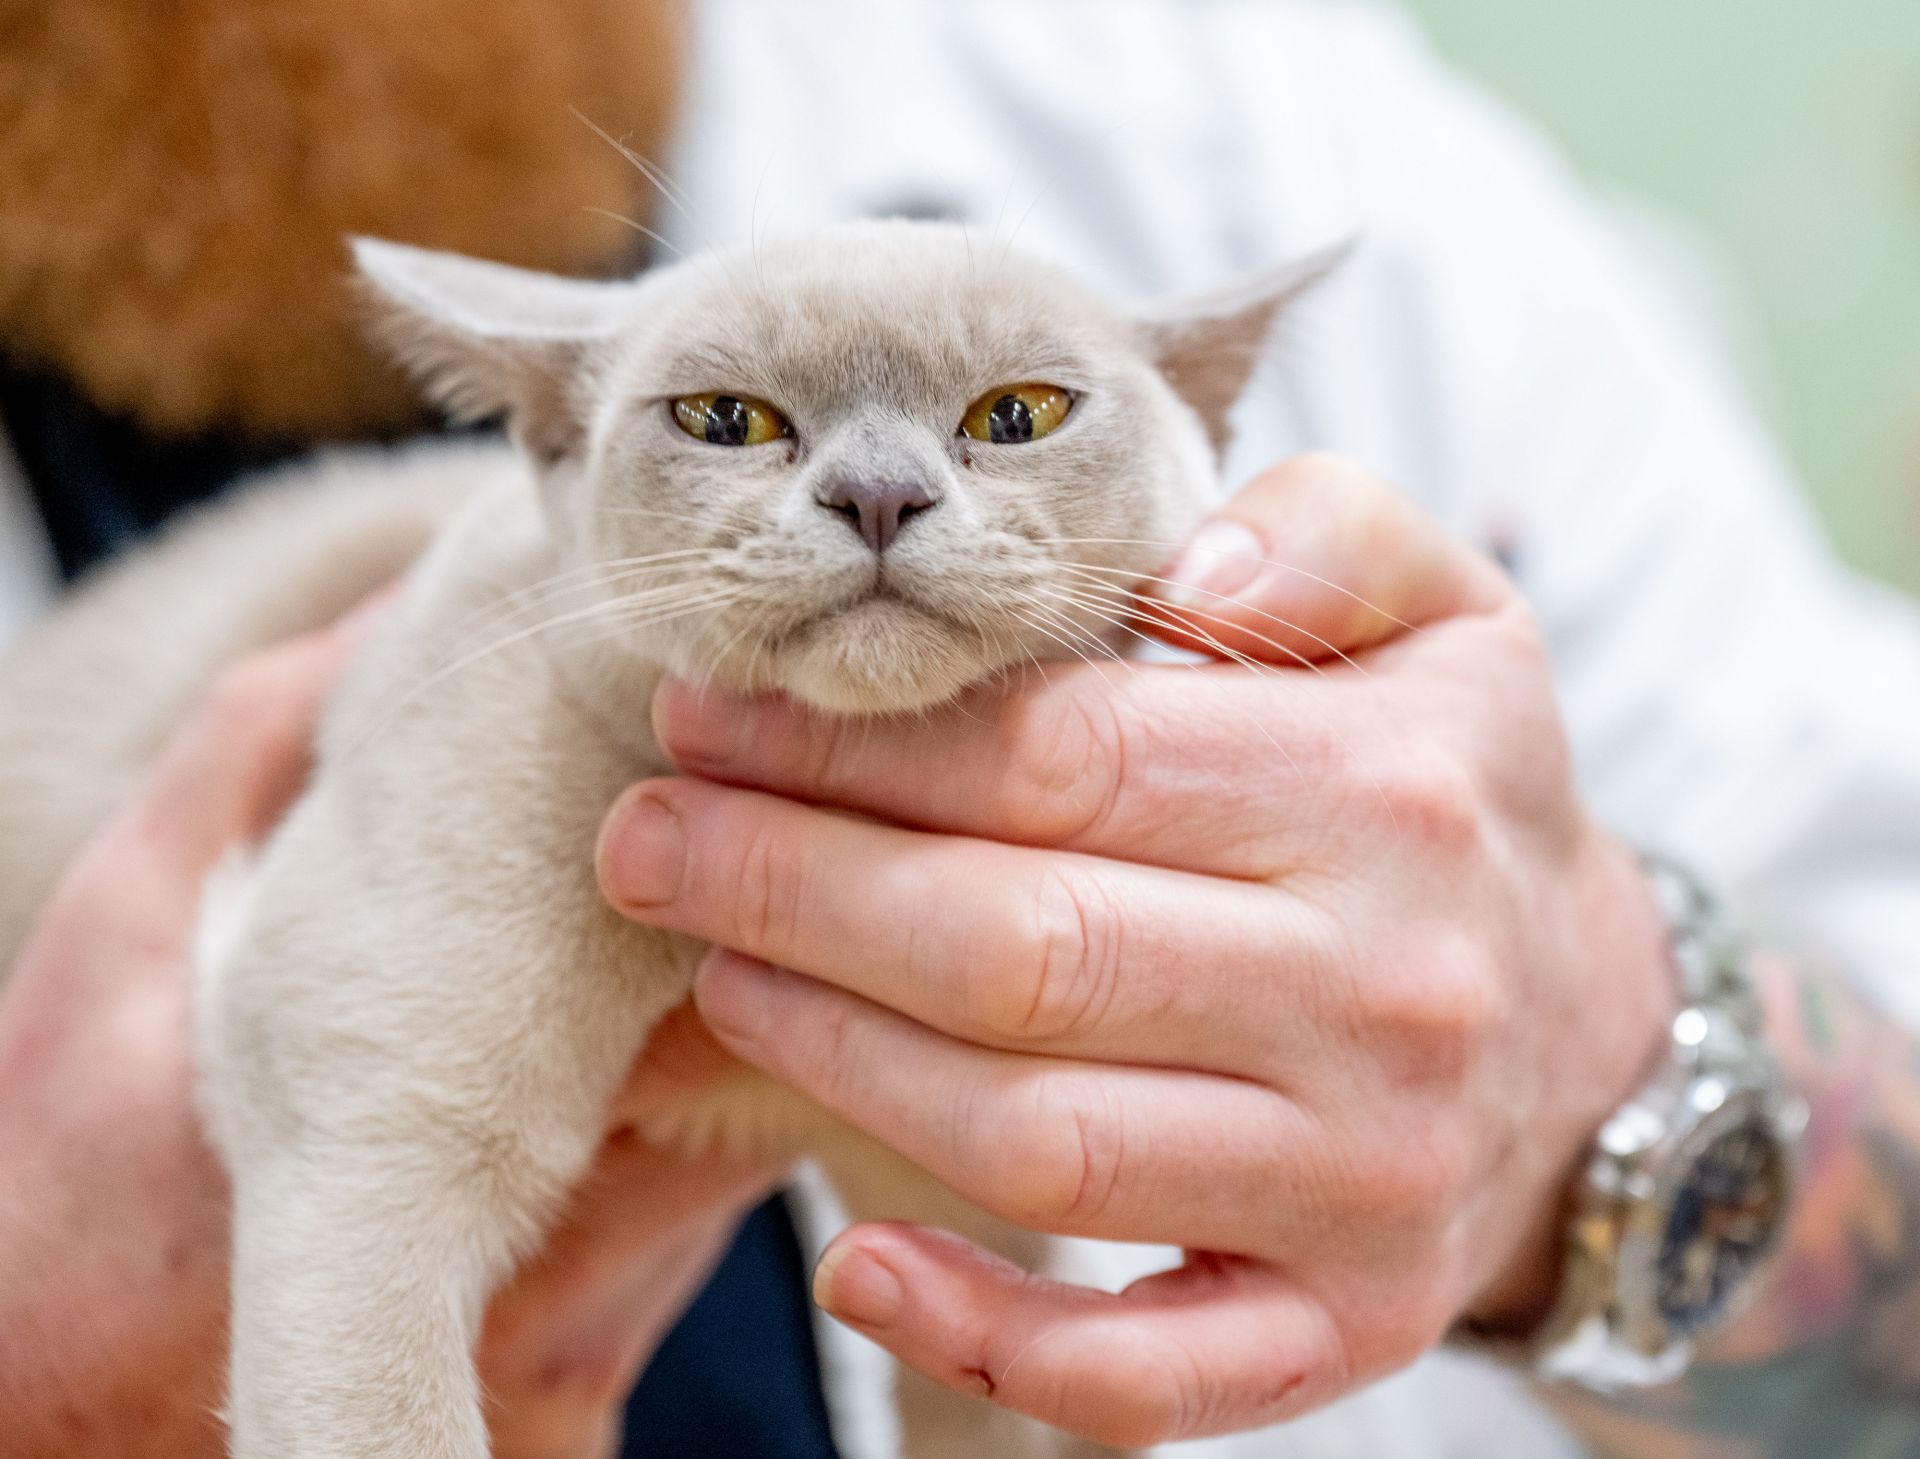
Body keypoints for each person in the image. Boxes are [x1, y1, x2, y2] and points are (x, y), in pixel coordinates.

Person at [3, 3, 1919, 1457]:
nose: (878, 508)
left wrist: (1597, 1077)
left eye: (1009, 423)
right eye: (741, 425)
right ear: (550, 438)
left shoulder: (1184, 92)